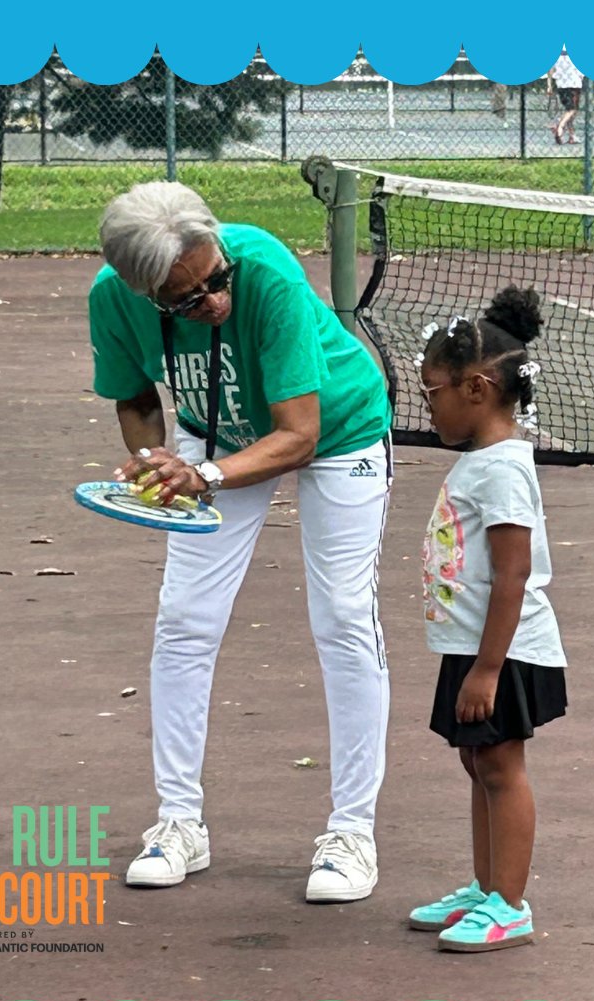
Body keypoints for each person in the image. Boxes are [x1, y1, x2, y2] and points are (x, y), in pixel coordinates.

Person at [88, 181, 393, 903]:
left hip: (335, 430)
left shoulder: (267, 272)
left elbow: (298, 434)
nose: (214, 302)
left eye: (216, 280)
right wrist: (152, 461)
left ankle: (353, 833)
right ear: (143, 290)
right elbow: (134, 397)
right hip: (214, 435)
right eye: (189, 301)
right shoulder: (111, 298)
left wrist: (201, 475)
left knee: (344, 620)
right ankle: (178, 824)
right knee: (185, 621)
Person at [406, 286, 567, 952]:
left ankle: (510, 903)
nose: (428, 403)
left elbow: (513, 574)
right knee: (480, 764)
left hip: (506, 653)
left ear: (475, 389)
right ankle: (485, 887)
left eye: (432, 391)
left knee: (501, 768)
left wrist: (489, 669)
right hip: (473, 647)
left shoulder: (502, 471)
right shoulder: (482, 463)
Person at [547, 46, 584, 145]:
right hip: (574, 84)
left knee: (569, 111)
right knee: (572, 110)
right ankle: (560, 126)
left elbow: (551, 69)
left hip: (561, 85)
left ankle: (572, 136)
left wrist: (549, 85)